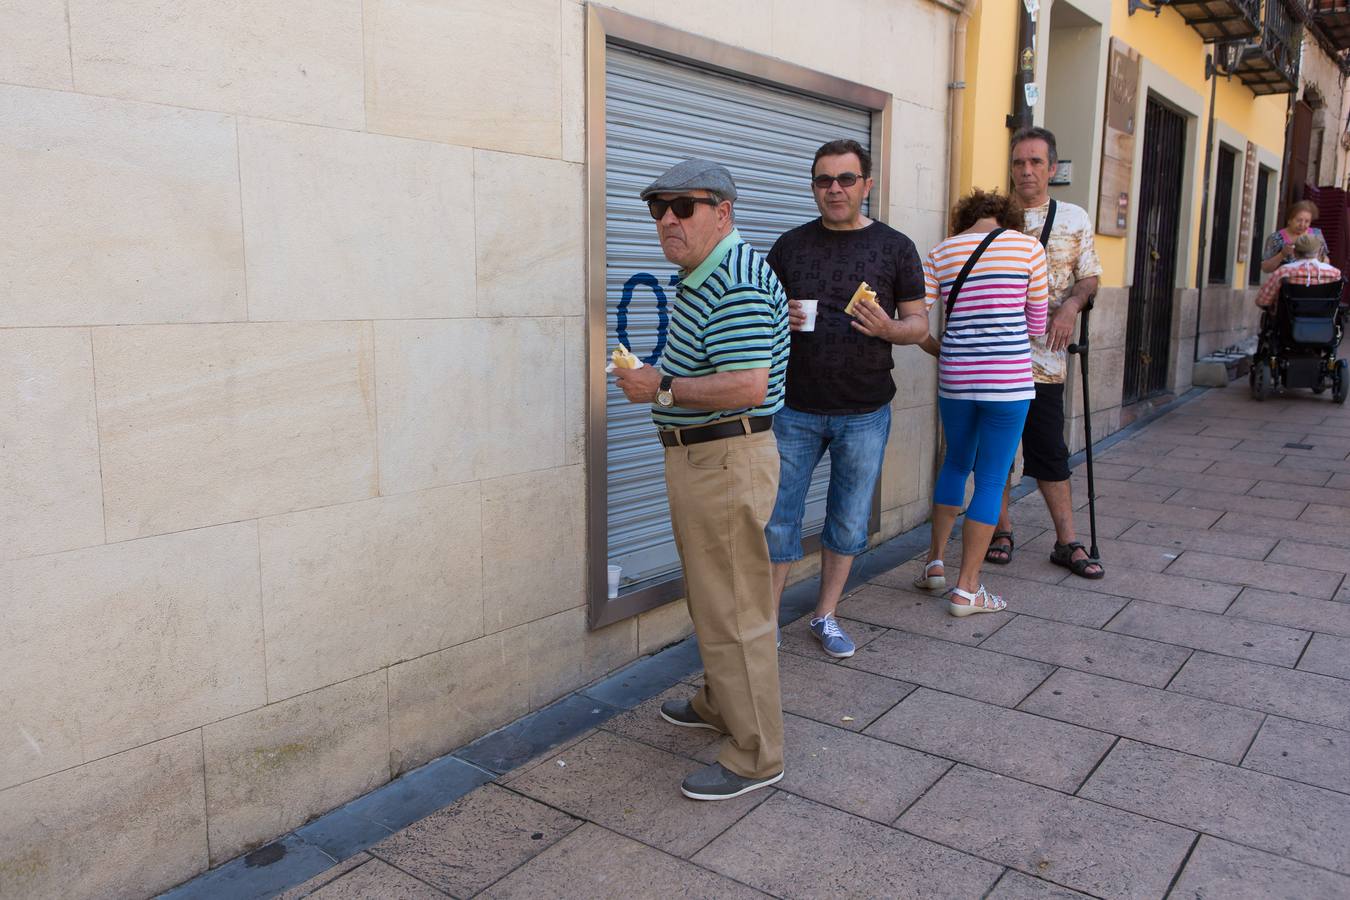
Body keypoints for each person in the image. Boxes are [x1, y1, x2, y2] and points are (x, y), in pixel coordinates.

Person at [613, 158, 788, 802]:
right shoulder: (702, 275)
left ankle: (755, 752)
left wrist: (657, 383)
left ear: (723, 211)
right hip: (707, 458)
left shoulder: (733, 280)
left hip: (723, 460)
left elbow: (748, 385)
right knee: (717, 594)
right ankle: (722, 702)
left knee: (736, 606)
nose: (666, 219)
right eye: (658, 206)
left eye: (683, 207)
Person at [763, 139, 929, 658]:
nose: (834, 189)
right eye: (823, 180)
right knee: (779, 517)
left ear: (866, 184)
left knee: (849, 518)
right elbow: (758, 320)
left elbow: (919, 324)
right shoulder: (789, 246)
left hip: (865, 410)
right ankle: (764, 624)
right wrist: (778, 318)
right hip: (794, 407)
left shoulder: (895, 247)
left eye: (845, 179)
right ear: (813, 186)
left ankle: (825, 614)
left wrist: (889, 328)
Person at [914, 189, 1048, 614]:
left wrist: (945, 349)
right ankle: (967, 589)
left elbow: (916, 322)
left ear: (965, 216)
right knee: (991, 479)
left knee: (955, 462)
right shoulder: (1029, 248)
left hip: (956, 378)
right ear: (1007, 216)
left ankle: (935, 565)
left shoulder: (941, 252)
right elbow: (1038, 323)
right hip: (1007, 382)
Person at [986, 127, 1105, 579]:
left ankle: (1067, 541)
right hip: (993, 357)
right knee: (994, 453)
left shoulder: (1074, 218)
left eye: (1036, 162)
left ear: (1053, 168)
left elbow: (1090, 276)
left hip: (1045, 363)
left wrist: (1072, 306)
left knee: (1049, 453)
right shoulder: (992, 218)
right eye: (1019, 162)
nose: (1027, 170)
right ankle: (1001, 530)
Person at [1254, 231, 1342, 309]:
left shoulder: (1284, 272)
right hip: (1322, 320)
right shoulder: (1334, 273)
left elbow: (1262, 301)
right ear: (1319, 251)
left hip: (1287, 321)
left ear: (1294, 253)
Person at [1261, 199, 1329, 275]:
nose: (1302, 225)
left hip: (1312, 281)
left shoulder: (1316, 235)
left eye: (1307, 221)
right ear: (1289, 220)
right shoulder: (1276, 238)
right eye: (1299, 220)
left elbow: (1326, 261)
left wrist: (1319, 257)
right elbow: (1265, 268)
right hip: (1287, 282)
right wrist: (1282, 254)